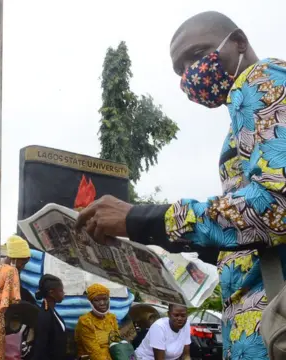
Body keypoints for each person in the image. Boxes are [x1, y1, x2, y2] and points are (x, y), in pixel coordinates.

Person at [74, 11, 286, 360]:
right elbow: (252, 237)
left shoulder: (264, 80)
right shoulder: (239, 120)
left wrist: (141, 219)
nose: (190, 72)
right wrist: (168, 244)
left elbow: (275, 206)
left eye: (197, 54)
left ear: (239, 41)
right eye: (180, 69)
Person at [74, 283, 119, 360]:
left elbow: (117, 342)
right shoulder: (85, 321)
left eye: (105, 299)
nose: (102, 303)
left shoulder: (111, 317)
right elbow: (94, 353)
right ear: (91, 302)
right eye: (96, 300)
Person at [30, 274, 66, 360]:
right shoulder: (45, 315)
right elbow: (40, 346)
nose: (64, 293)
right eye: (61, 291)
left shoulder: (52, 312)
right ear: (52, 293)